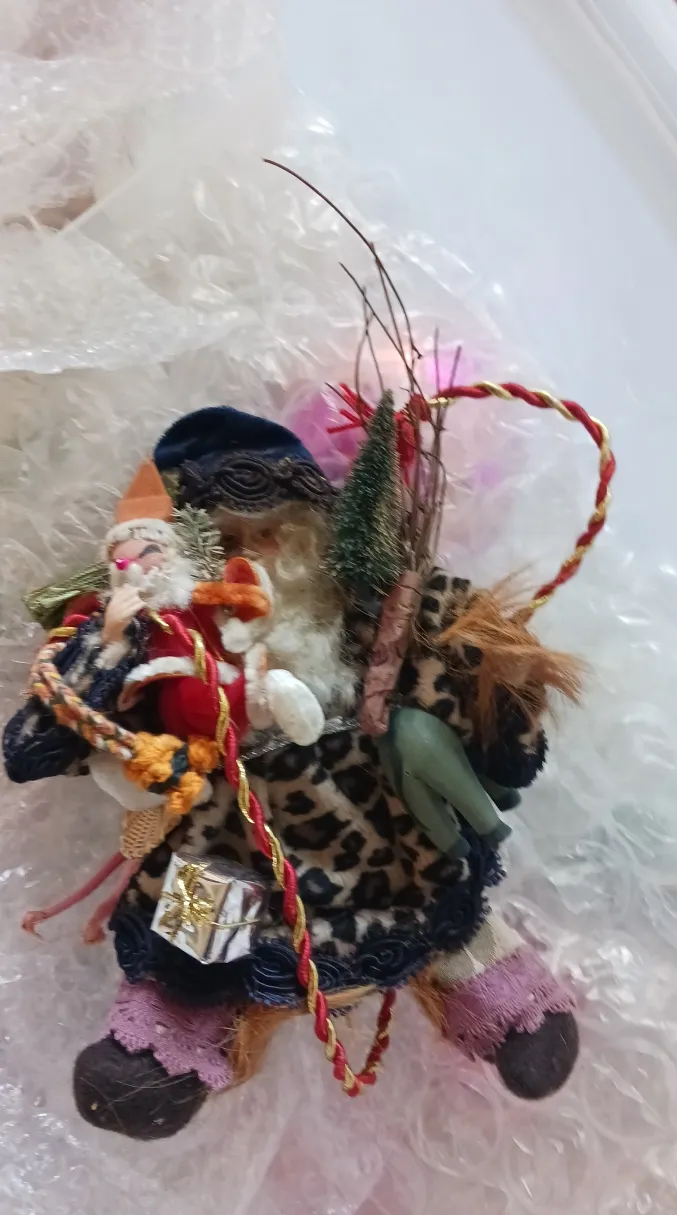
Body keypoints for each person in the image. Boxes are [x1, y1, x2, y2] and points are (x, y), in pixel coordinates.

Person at [3, 406, 579, 1139]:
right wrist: (110, 640)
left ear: (311, 534)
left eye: (272, 532)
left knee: (439, 897)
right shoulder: (156, 634)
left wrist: (498, 680)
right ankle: (166, 1042)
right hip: (222, 826)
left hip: (372, 813)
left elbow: (455, 655)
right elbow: (32, 749)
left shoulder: (363, 611)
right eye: (223, 541)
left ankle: (494, 990)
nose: (250, 555)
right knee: (193, 930)